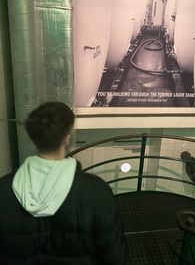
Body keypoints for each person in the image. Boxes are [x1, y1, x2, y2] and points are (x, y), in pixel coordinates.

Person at [0, 102, 126, 265]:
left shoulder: (3, 189)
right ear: (67, 139)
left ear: (34, 138)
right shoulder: (96, 191)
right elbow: (114, 255)